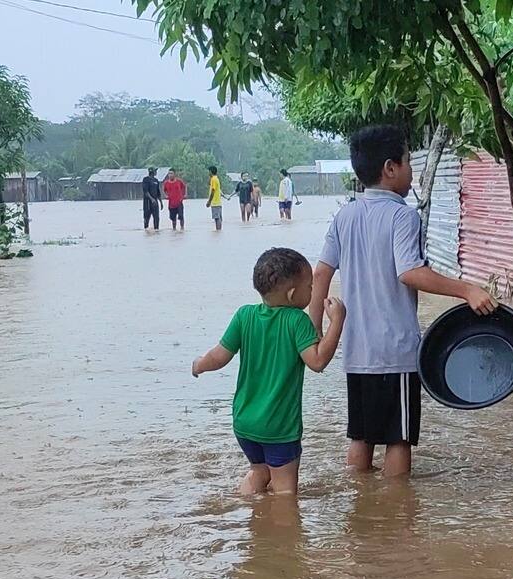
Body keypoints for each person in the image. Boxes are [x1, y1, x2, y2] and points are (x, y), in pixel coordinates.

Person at [310, 125, 496, 479]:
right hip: (396, 354)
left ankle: (360, 511)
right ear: (390, 168)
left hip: (356, 354)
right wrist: (467, 289)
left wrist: (313, 333)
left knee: (360, 436)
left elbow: (320, 275)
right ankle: (395, 521)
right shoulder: (403, 215)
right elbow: (410, 272)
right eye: (409, 161)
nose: (411, 169)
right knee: (399, 440)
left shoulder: (344, 215)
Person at [192, 248, 346, 496]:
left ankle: (247, 514)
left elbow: (218, 356)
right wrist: (336, 323)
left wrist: (199, 364)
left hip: (244, 423)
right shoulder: (297, 321)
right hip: (279, 427)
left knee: (259, 471)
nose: (312, 292)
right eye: (310, 286)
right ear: (293, 294)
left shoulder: (244, 315)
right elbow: (317, 362)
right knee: (285, 493)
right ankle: (278, 533)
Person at [140, 166, 162, 233]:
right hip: (148, 202)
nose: (156, 172)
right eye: (155, 171)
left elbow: (158, 193)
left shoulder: (156, 181)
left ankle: (156, 230)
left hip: (155, 202)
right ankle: (146, 229)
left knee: (156, 217)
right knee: (147, 217)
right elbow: (145, 191)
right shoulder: (146, 180)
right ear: (152, 172)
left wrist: (161, 202)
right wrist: (151, 199)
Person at [207, 166, 225, 231]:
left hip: (215, 202)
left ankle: (218, 230)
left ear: (211, 172)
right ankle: (219, 231)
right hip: (218, 202)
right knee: (218, 218)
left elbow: (213, 190)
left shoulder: (214, 179)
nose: (208, 173)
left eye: (209, 172)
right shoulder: (216, 179)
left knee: (217, 218)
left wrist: (209, 201)